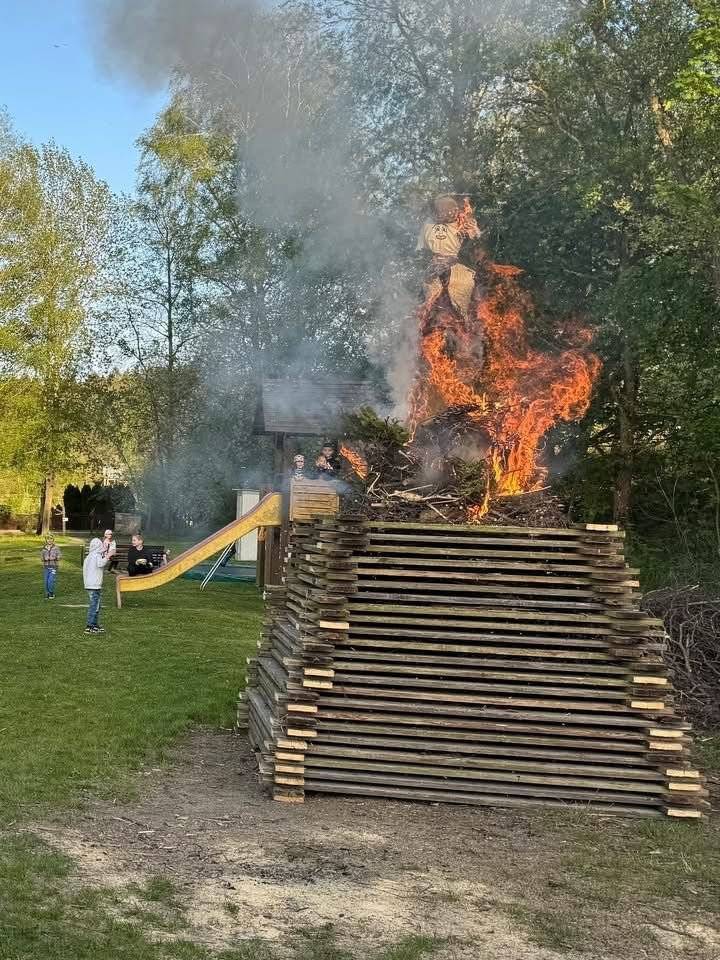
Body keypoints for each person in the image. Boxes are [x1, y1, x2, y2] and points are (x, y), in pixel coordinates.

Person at [82, 537, 108, 634]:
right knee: (94, 606)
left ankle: (95, 624)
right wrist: (108, 556)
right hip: (95, 585)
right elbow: (101, 564)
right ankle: (90, 626)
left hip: (89, 585)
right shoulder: (96, 556)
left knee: (96, 605)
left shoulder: (88, 557)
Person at [41, 534, 61, 599]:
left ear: (53, 540)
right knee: (46, 581)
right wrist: (45, 558)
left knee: (50, 581)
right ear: (46, 540)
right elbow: (41, 558)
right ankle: (47, 594)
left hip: (53, 567)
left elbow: (59, 556)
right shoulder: (44, 549)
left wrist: (54, 557)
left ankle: (51, 593)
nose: (49, 540)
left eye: (51, 539)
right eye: (48, 539)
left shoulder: (56, 548)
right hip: (46, 567)